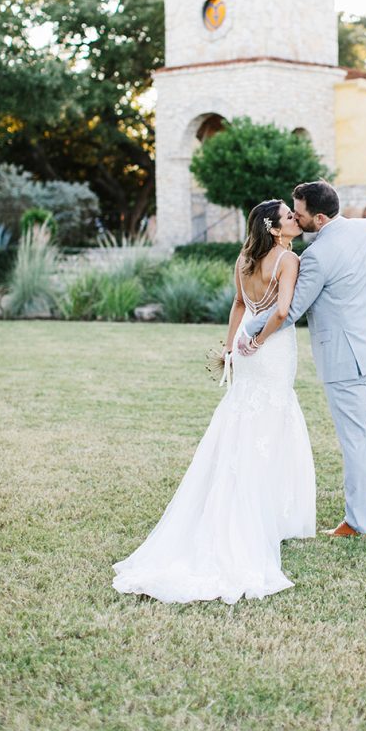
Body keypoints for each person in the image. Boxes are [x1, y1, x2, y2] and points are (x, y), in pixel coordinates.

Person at [112, 200, 315, 605]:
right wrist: (257, 341)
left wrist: (231, 347)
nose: (296, 219)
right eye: (289, 216)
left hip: (245, 348)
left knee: (244, 421)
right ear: (275, 229)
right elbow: (282, 312)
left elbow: (239, 304)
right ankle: (262, 516)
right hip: (270, 350)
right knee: (271, 423)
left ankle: (259, 509)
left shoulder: (244, 260)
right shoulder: (288, 260)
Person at [240, 180, 366, 537]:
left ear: (319, 218)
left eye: (300, 214)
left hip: (344, 358)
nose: (296, 218)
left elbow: (290, 310)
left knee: (355, 439)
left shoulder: (316, 256)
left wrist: (250, 328)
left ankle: (359, 522)